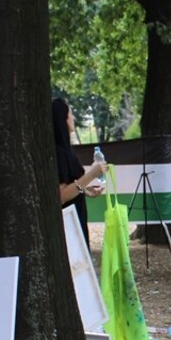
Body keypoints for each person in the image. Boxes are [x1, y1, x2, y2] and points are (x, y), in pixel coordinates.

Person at [52, 98, 107, 250]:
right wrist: (92, 174)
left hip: (77, 219)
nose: (73, 118)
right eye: (70, 114)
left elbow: (72, 184)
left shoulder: (66, 150)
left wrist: (86, 191)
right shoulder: (58, 152)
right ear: (62, 119)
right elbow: (61, 196)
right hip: (68, 225)